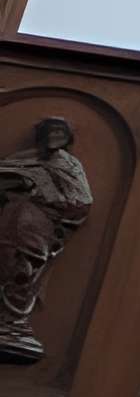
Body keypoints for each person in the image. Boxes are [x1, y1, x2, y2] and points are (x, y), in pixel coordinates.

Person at [0, 117, 93, 364]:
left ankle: (13, 324)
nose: (54, 135)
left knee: (24, 270)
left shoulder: (70, 165)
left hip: (40, 225)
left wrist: (47, 191)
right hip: (10, 220)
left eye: (60, 131)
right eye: (50, 130)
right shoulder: (25, 157)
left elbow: (82, 201)